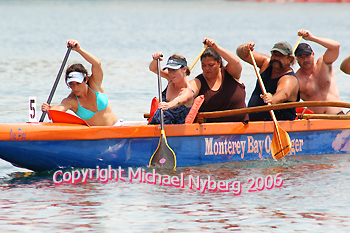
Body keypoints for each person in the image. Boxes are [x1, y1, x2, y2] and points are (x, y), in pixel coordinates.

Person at [42, 39, 119, 126]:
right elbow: (59, 109)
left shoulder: (95, 84)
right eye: (71, 84)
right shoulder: (71, 100)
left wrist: (79, 49)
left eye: (78, 83)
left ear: (85, 80)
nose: (75, 88)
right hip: (96, 136)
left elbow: (97, 64)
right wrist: (49, 109)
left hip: (117, 128)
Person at [236, 41, 300, 121]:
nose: (276, 58)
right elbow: (241, 54)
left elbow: (283, 94)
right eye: (274, 54)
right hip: (253, 124)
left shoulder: (289, 79)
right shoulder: (266, 63)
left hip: (280, 126)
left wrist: (272, 99)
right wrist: (245, 48)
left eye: (280, 56)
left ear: (289, 59)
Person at [189, 38, 249, 123]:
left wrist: (215, 47)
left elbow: (235, 62)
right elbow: (187, 91)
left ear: (219, 63)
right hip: (211, 132)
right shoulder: (198, 82)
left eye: (211, 65)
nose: (207, 69)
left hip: (242, 128)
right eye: (204, 65)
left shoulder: (231, 73)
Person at [294, 29, 342, 115]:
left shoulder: (324, 63)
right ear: (296, 59)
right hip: (315, 122)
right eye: (301, 57)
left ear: (313, 54)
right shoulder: (296, 79)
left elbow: (335, 46)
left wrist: (312, 38)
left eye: (307, 56)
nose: (305, 60)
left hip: (338, 116)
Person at [148, 53, 194, 124]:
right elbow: (153, 68)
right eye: (169, 70)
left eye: (174, 70)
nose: (171, 74)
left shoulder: (188, 92)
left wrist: (168, 105)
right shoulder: (170, 79)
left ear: (184, 69)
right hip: (154, 126)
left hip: (173, 132)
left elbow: (178, 101)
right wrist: (155, 60)